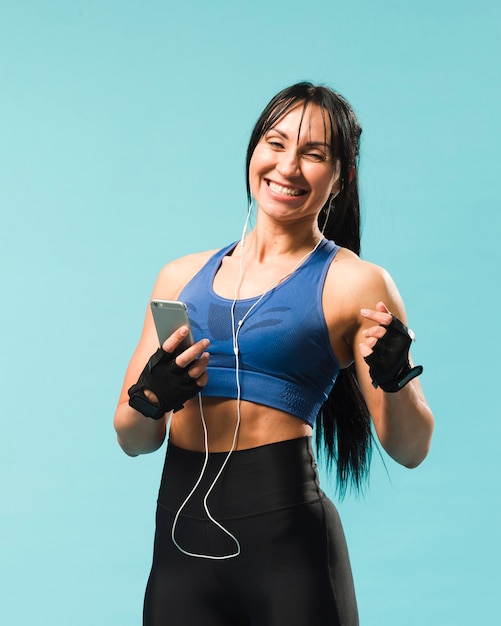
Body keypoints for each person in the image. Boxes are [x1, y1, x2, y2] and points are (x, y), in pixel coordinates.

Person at [114, 82, 434, 626]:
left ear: (342, 176)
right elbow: (132, 439)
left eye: (314, 154)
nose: (287, 167)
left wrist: (395, 377)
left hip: (288, 553)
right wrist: (152, 397)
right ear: (254, 150)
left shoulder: (355, 283)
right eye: (276, 143)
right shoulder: (179, 277)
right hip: (180, 549)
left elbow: (409, 448)